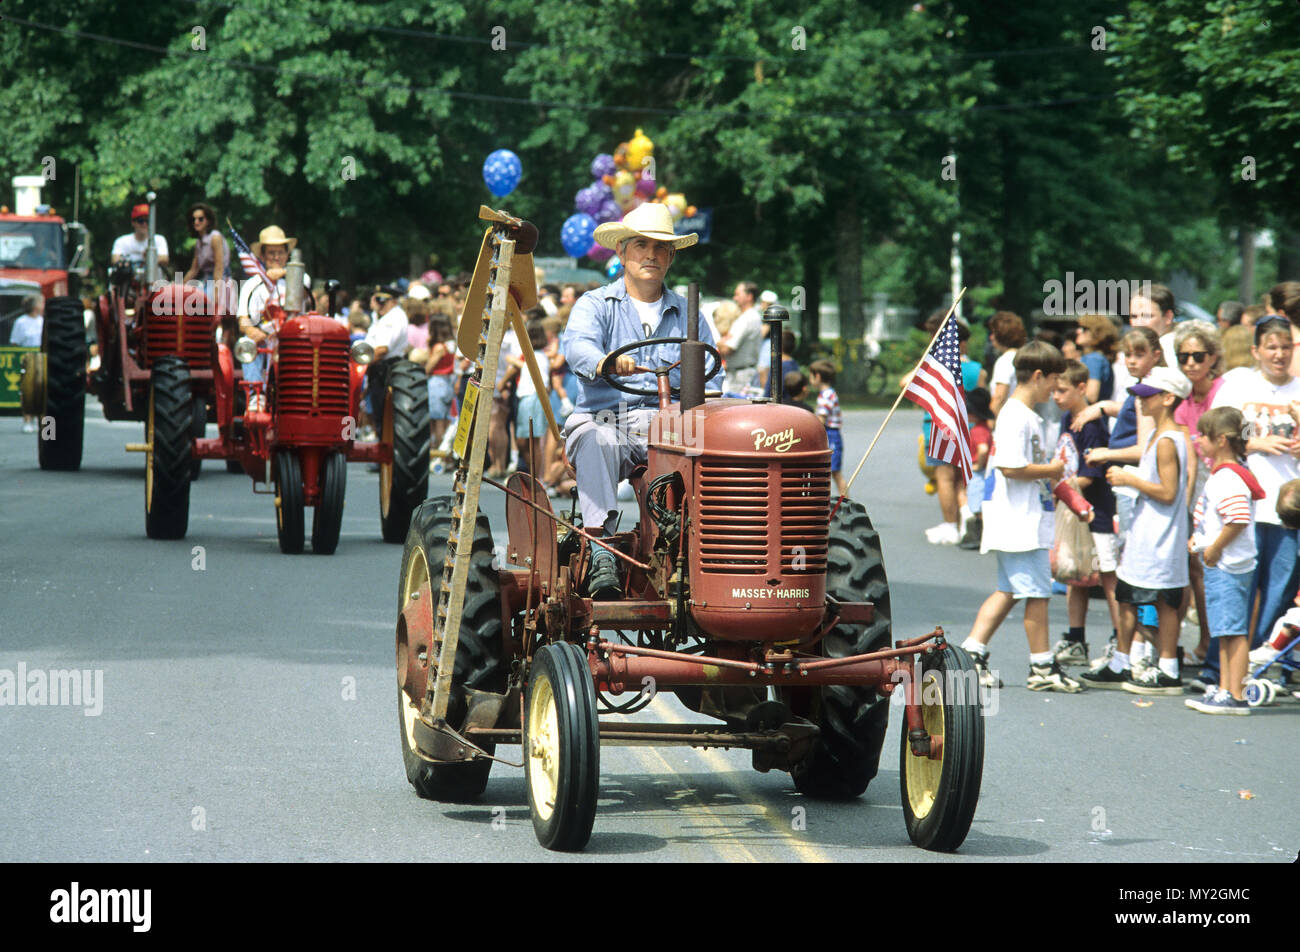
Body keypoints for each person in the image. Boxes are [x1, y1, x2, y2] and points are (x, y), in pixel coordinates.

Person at [561, 202, 724, 599]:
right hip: (609, 417)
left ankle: (714, 550)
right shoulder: (595, 304)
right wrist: (608, 361)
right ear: (621, 252)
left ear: (671, 257)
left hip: (672, 424)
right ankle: (601, 545)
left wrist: (708, 390)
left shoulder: (690, 313)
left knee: (722, 445)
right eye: (640, 245)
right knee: (594, 437)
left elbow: (711, 371)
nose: (650, 255)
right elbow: (577, 347)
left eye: (660, 248)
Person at [959, 340, 1083, 693]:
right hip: (1019, 522)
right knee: (1038, 594)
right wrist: (1052, 468)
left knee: (1009, 590)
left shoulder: (1021, 414)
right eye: (1053, 382)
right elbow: (1011, 467)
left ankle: (972, 654)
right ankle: (1042, 666)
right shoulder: (1017, 415)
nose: (1055, 389)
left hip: (1019, 520)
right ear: (1038, 375)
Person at [1080, 367, 1191, 694]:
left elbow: (1169, 492)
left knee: (1164, 600)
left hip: (1161, 533)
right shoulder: (1160, 435)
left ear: (1168, 399)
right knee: (1127, 595)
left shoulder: (1168, 440)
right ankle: (1121, 661)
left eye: (1148, 396)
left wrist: (1130, 479)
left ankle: (1168, 667)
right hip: (1146, 530)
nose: (1141, 402)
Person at [1204, 317, 1300, 685]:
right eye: (1271, 347)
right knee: (1235, 592)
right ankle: (1219, 670)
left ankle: (1258, 669)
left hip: (1288, 509)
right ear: (1257, 350)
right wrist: (1257, 443)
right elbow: (1217, 433)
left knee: (1278, 595)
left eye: (1285, 347)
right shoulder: (1239, 386)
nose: (1278, 355)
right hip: (1244, 503)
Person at [1186, 407, 1263, 714]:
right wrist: (1202, 540)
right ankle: (1225, 689)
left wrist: (1215, 548)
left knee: (1233, 631)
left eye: (1203, 435)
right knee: (1227, 630)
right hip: (1227, 564)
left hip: (1228, 565)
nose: (1198, 440)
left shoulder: (1227, 477)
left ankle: (1236, 693)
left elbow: (1238, 519)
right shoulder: (1227, 474)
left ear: (1220, 441)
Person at [1051, 361, 1120, 664]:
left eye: (1062, 390)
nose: (1055, 395)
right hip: (1074, 510)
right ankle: (1076, 638)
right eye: (1053, 389)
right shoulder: (1068, 417)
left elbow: (1088, 475)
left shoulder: (1090, 424)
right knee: (1076, 576)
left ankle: (1120, 640)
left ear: (1082, 388)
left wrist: (1055, 485)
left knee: (1108, 577)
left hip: (1097, 513)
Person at [1171, 320, 1225, 664]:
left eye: (1197, 355)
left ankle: (1228, 647)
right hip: (1198, 493)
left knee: (1226, 568)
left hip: (1228, 486)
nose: (1190, 363)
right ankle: (1207, 641)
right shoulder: (1182, 405)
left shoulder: (1225, 391)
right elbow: (1189, 463)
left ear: (1212, 357)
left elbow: (1244, 434)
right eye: (1183, 357)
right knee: (1198, 570)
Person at [235, 224, 308, 411]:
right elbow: (243, 319)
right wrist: (251, 330)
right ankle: (256, 395)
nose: (276, 257)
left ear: (287, 255)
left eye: (280, 253)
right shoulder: (251, 285)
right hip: (265, 340)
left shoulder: (301, 279)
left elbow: (304, 296)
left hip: (293, 338)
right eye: (271, 253)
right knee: (246, 343)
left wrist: (285, 274)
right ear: (263, 256)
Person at [958, 387, 994, 551]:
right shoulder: (985, 427)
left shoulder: (978, 430)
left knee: (977, 503)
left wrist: (978, 464)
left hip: (978, 472)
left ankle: (980, 534)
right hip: (982, 471)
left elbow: (983, 449)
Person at [182, 202, 228, 316]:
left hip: (220, 279)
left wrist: (217, 294)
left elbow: (219, 267)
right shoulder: (199, 242)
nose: (196, 222)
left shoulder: (215, 237)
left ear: (208, 221)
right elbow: (194, 270)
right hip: (206, 280)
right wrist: (178, 287)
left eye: (200, 219)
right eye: (194, 219)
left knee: (205, 305)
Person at [809, 359, 846, 497]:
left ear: (817, 376)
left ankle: (845, 501)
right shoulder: (828, 393)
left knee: (835, 472)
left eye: (811, 377)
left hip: (831, 435)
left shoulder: (826, 395)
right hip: (831, 434)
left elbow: (821, 419)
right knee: (830, 472)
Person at [719, 281, 763, 391]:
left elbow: (727, 349)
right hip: (744, 373)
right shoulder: (752, 316)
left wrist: (717, 342)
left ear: (749, 297)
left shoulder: (746, 318)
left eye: (738, 294)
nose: (735, 298)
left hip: (740, 376)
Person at [10, 294, 44, 433]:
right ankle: (27, 420)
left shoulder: (43, 321)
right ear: (35, 306)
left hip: (41, 359)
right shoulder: (21, 322)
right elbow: (15, 342)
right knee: (27, 390)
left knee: (42, 390)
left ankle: (44, 425)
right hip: (27, 359)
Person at [987, 310, 1028, 417]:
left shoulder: (1004, 361)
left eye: (993, 333)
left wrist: (988, 424)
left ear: (1002, 334)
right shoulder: (1026, 357)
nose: (991, 337)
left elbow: (999, 397)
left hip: (1007, 421)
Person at [110, 203, 169, 269]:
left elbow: (165, 259)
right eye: (140, 221)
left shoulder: (159, 240)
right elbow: (115, 260)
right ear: (133, 222)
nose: (144, 224)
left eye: (148, 221)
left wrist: (150, 257)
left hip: (154, 279)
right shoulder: (121, 241)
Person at [1074, 313, 1118, 403]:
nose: (1078, 331)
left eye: (1084, 329)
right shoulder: (1093, 357)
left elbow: (1091, 396)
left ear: (1097, 333)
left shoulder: (1094, 359)